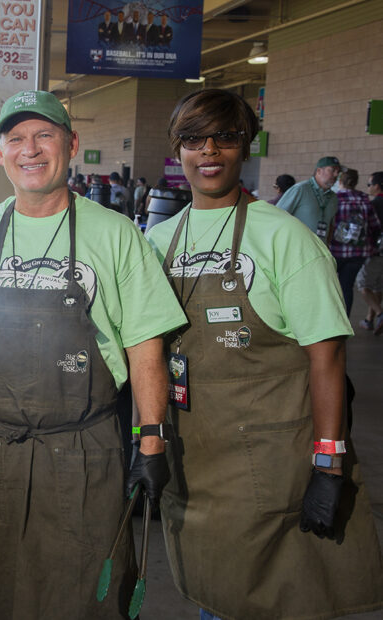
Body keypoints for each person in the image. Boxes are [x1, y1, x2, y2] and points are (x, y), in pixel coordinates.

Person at [0, 90, 186, 618]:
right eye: (16, 138)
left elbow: (145, 347)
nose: (30, 149)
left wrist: (151, 440)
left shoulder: (116, 236)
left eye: (45, 135)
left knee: (81, 600)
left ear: (71, 143)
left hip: (83, 455)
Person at [145, 88, 383, 620]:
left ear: (245, 147)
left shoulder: (286, 238)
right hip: (197, 456)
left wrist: (328, 461)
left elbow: (327, 358)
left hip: (274, 458)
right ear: (176, 149)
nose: (209, 152)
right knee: (213, 595)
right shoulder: (160, 240)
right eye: (193, 140)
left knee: (270, 600)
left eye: (224, 138)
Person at [329, 168, 381, 316]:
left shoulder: (334, 198)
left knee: (329, 286)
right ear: (356, 182)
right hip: (359, 253)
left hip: (336, 251)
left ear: (340, 182)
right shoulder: (364, 199)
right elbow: (375, 226)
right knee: (347, 287)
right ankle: (344, 326)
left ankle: (328, 321)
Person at [277, 155, 343, 243]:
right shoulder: (300, 189)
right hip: (295, 248)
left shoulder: (333, 198)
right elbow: (277, 216)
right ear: (319, 171)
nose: (336, 175)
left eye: (338, 172)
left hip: (318, 251)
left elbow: (330, 225)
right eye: (332, 170)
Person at [357, 171, 383, 331]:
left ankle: (380, 313)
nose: (368, 188)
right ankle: (369, 319)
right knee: (378, 286)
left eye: (369, 184)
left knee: (363, 284)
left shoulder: (374, 205)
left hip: (376, 250)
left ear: (377, 186)